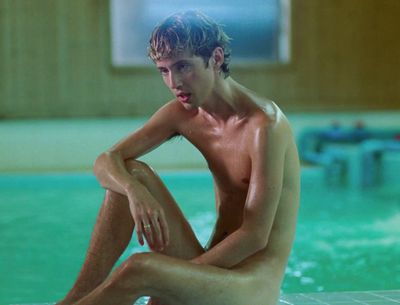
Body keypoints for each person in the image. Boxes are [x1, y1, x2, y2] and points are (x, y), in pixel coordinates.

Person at [57, 10, 300, 305]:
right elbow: (107, 160)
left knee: (140, 268)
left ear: (217, 58)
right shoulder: (183, 114)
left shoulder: (264, 126)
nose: (175, 82)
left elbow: (254, 235)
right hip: (209, 271)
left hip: (250, 287)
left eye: (184, 66)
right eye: (164, 70)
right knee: (131, 172)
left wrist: (170, 281)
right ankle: (73, 300)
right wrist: (134, 192)